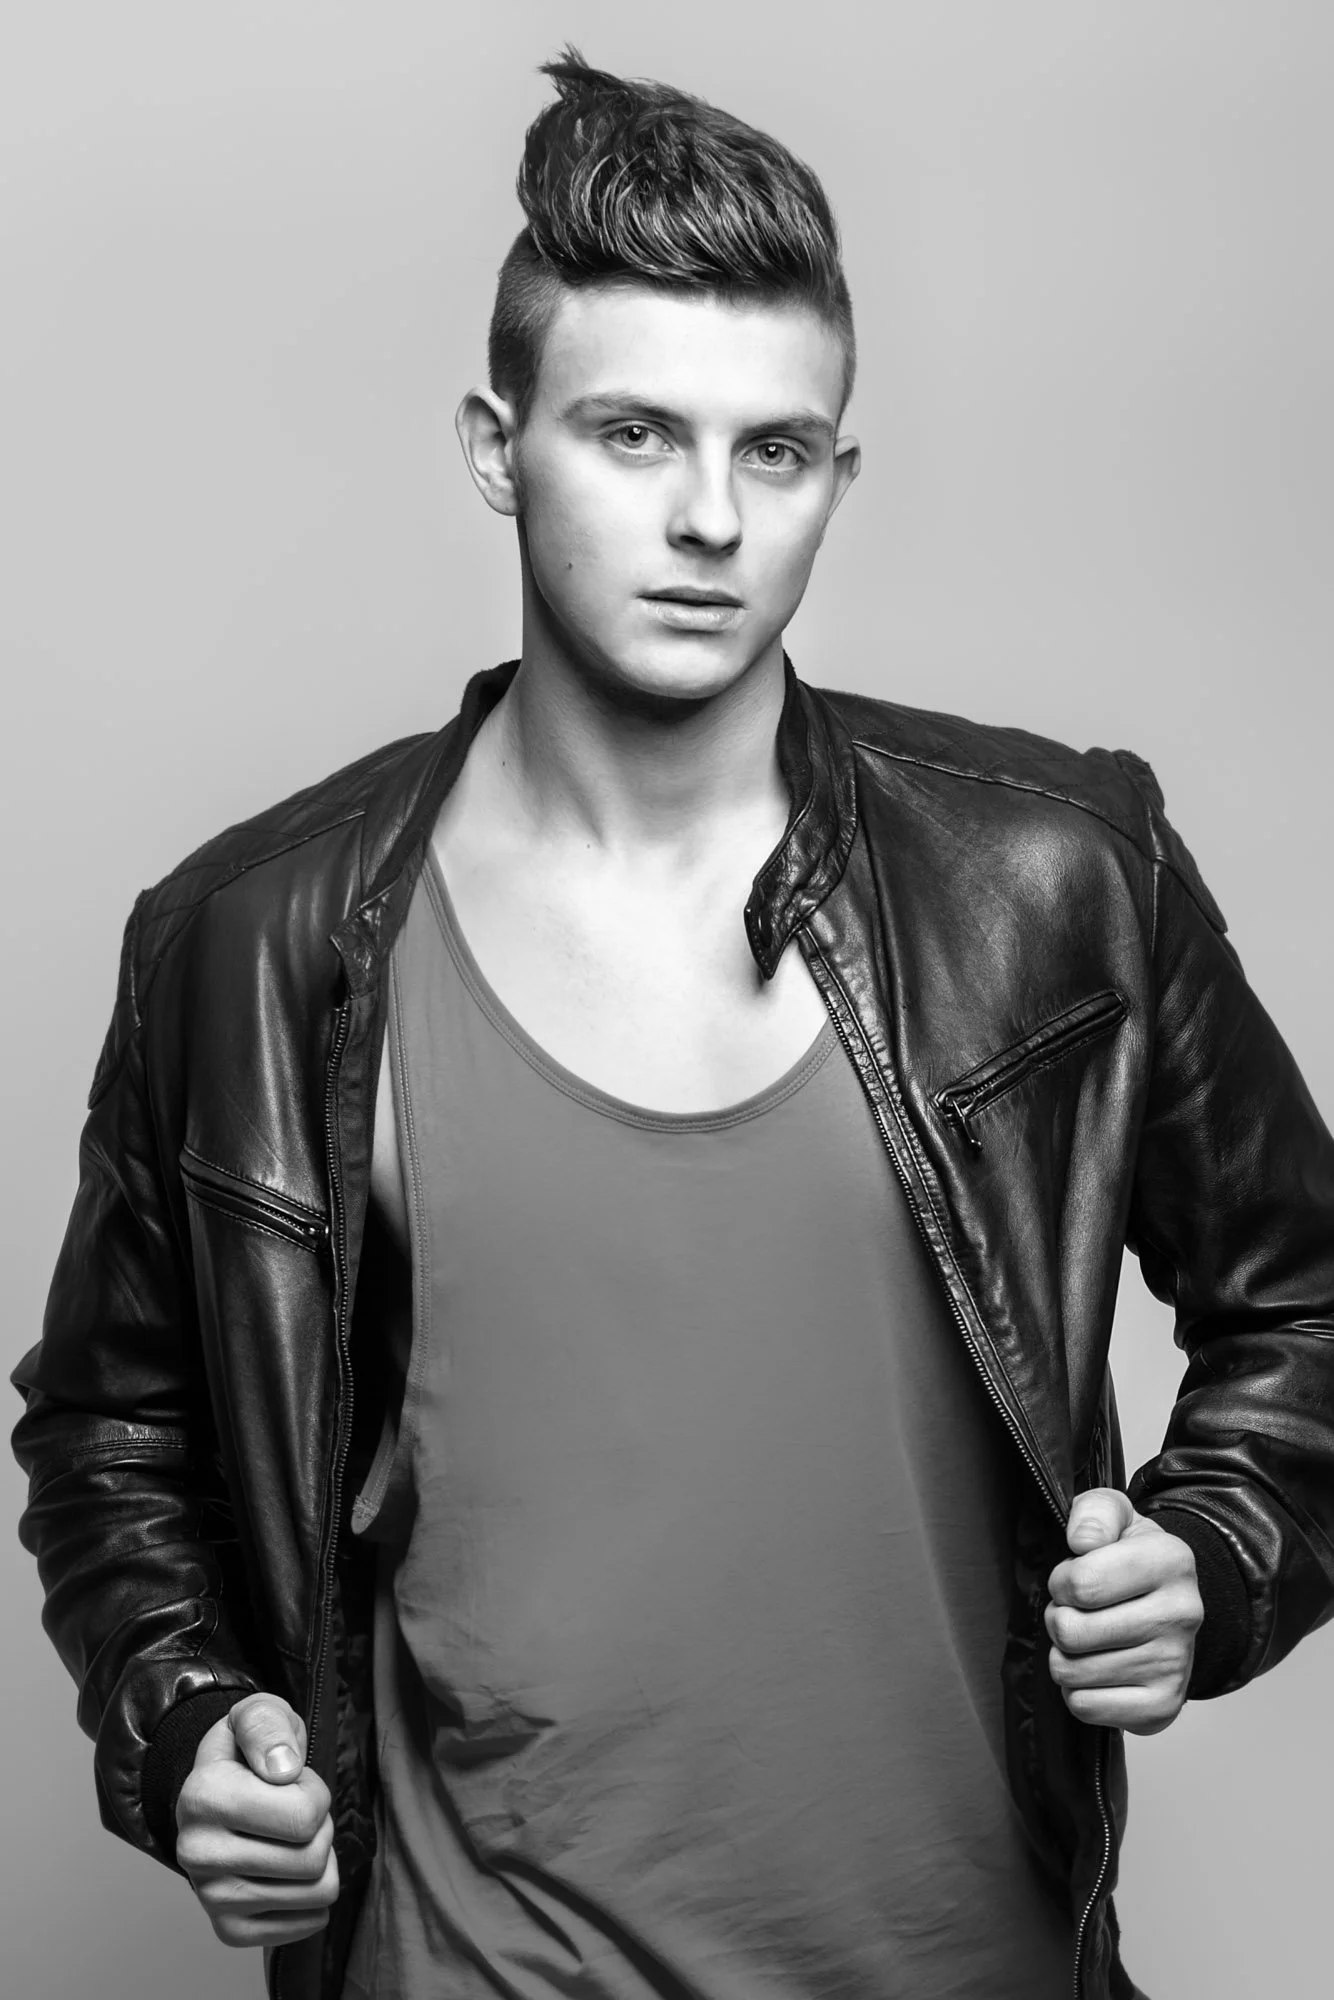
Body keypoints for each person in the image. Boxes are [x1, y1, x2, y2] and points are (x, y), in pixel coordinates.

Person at [11, 46, 1334, 2000]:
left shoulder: (1062, 879)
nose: (708, 517)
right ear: (496, 443)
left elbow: (1305, 1308)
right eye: (633, 435)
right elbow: (109, 1428)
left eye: (772, 450)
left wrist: (1212, 1555)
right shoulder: (246, 942)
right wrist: (192, 1715)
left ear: (835, 475)